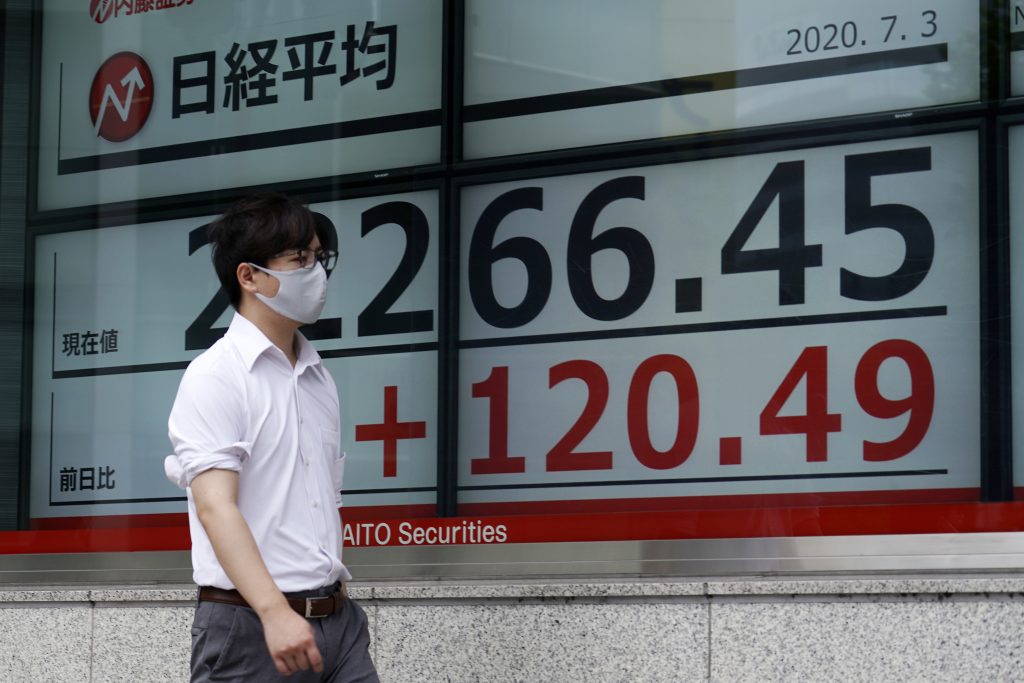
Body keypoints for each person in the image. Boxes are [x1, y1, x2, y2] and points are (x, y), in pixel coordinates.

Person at [164, 193, 379, 682]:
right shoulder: (216, 375)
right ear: (249, 276)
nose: (316, 273)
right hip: (250, 626)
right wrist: (274, 612)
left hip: (338, 624)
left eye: (319, 258)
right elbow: (216, 506)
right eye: (299, 260)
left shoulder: (317, 375)